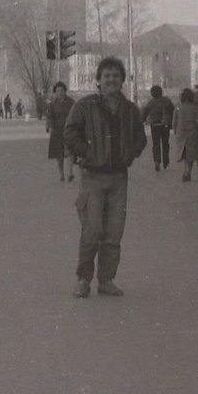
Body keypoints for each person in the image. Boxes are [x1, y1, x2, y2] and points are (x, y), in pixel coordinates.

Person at [63, 56, 147, 298]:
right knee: (92, 230)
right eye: (106, 76)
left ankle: (106, 280)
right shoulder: (84, 106)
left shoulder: (130, 110)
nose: (111, 79)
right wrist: (86, 152)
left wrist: (129, 155)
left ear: (122, 80)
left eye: (116, 76)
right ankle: (83, 279)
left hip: (119, 178)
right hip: (93, 177)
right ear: (98, 80)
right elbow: (70, 133)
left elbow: (140, 138)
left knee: (114, 232)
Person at [141, 84, 175, 172]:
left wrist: (142, 121)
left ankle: (157, 161)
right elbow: (172, 111)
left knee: (156, 144)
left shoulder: (150, 102)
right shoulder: (167, 101)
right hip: (165, 125)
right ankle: (166, 160)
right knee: (165, 143)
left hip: (154, 125)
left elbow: (144, 113)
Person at [45, 81, 74, 181]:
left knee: (70, 151)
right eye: (58, 91)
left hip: (69, 130)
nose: (60, 92)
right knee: (59, 154)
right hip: (57, 131)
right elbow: (49, 117)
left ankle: (69, 173)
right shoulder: (52, 104)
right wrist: (49, 127)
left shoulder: (71, 102)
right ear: (55, 92)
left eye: (62, 90)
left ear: (65, 91)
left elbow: (77, 116)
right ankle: (61, 174)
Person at [174, 87, 198, 182]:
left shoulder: (178, 107)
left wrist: (175, 131)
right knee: (191, 153)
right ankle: (188, 172)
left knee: (184, 153)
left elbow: (174, 121)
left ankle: (186, 170)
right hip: (192, 132)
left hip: (181, 132)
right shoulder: (195, 108)